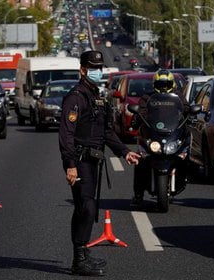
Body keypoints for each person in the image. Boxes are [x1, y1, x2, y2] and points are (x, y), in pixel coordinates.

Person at [59, 50, 140, 276]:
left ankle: (82, 255)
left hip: (93, 160)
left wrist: (124, 152)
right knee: (86, 206)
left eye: (99, 68)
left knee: (88, 207)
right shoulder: (75, 97)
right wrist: (70, 164)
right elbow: (66, 133)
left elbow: (107, 132)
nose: (97, 72)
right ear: (82, 70)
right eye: (92, 68)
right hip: (80, 159)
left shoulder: (98, 97)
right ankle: (78, 259)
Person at [130, 69, 190, 207]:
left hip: (172, 135)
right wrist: (137, 118)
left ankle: (182, 178)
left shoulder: (178, 97)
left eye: (166, 84)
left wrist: (189, 115)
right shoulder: (147, 98)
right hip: (152, 136)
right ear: (155, 84)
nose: (163, 87)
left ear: (172, 84)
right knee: (140, 161)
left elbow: (186, 109)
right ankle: (138, 194)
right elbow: (141, 111)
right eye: (160, 84)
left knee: (185, 154)